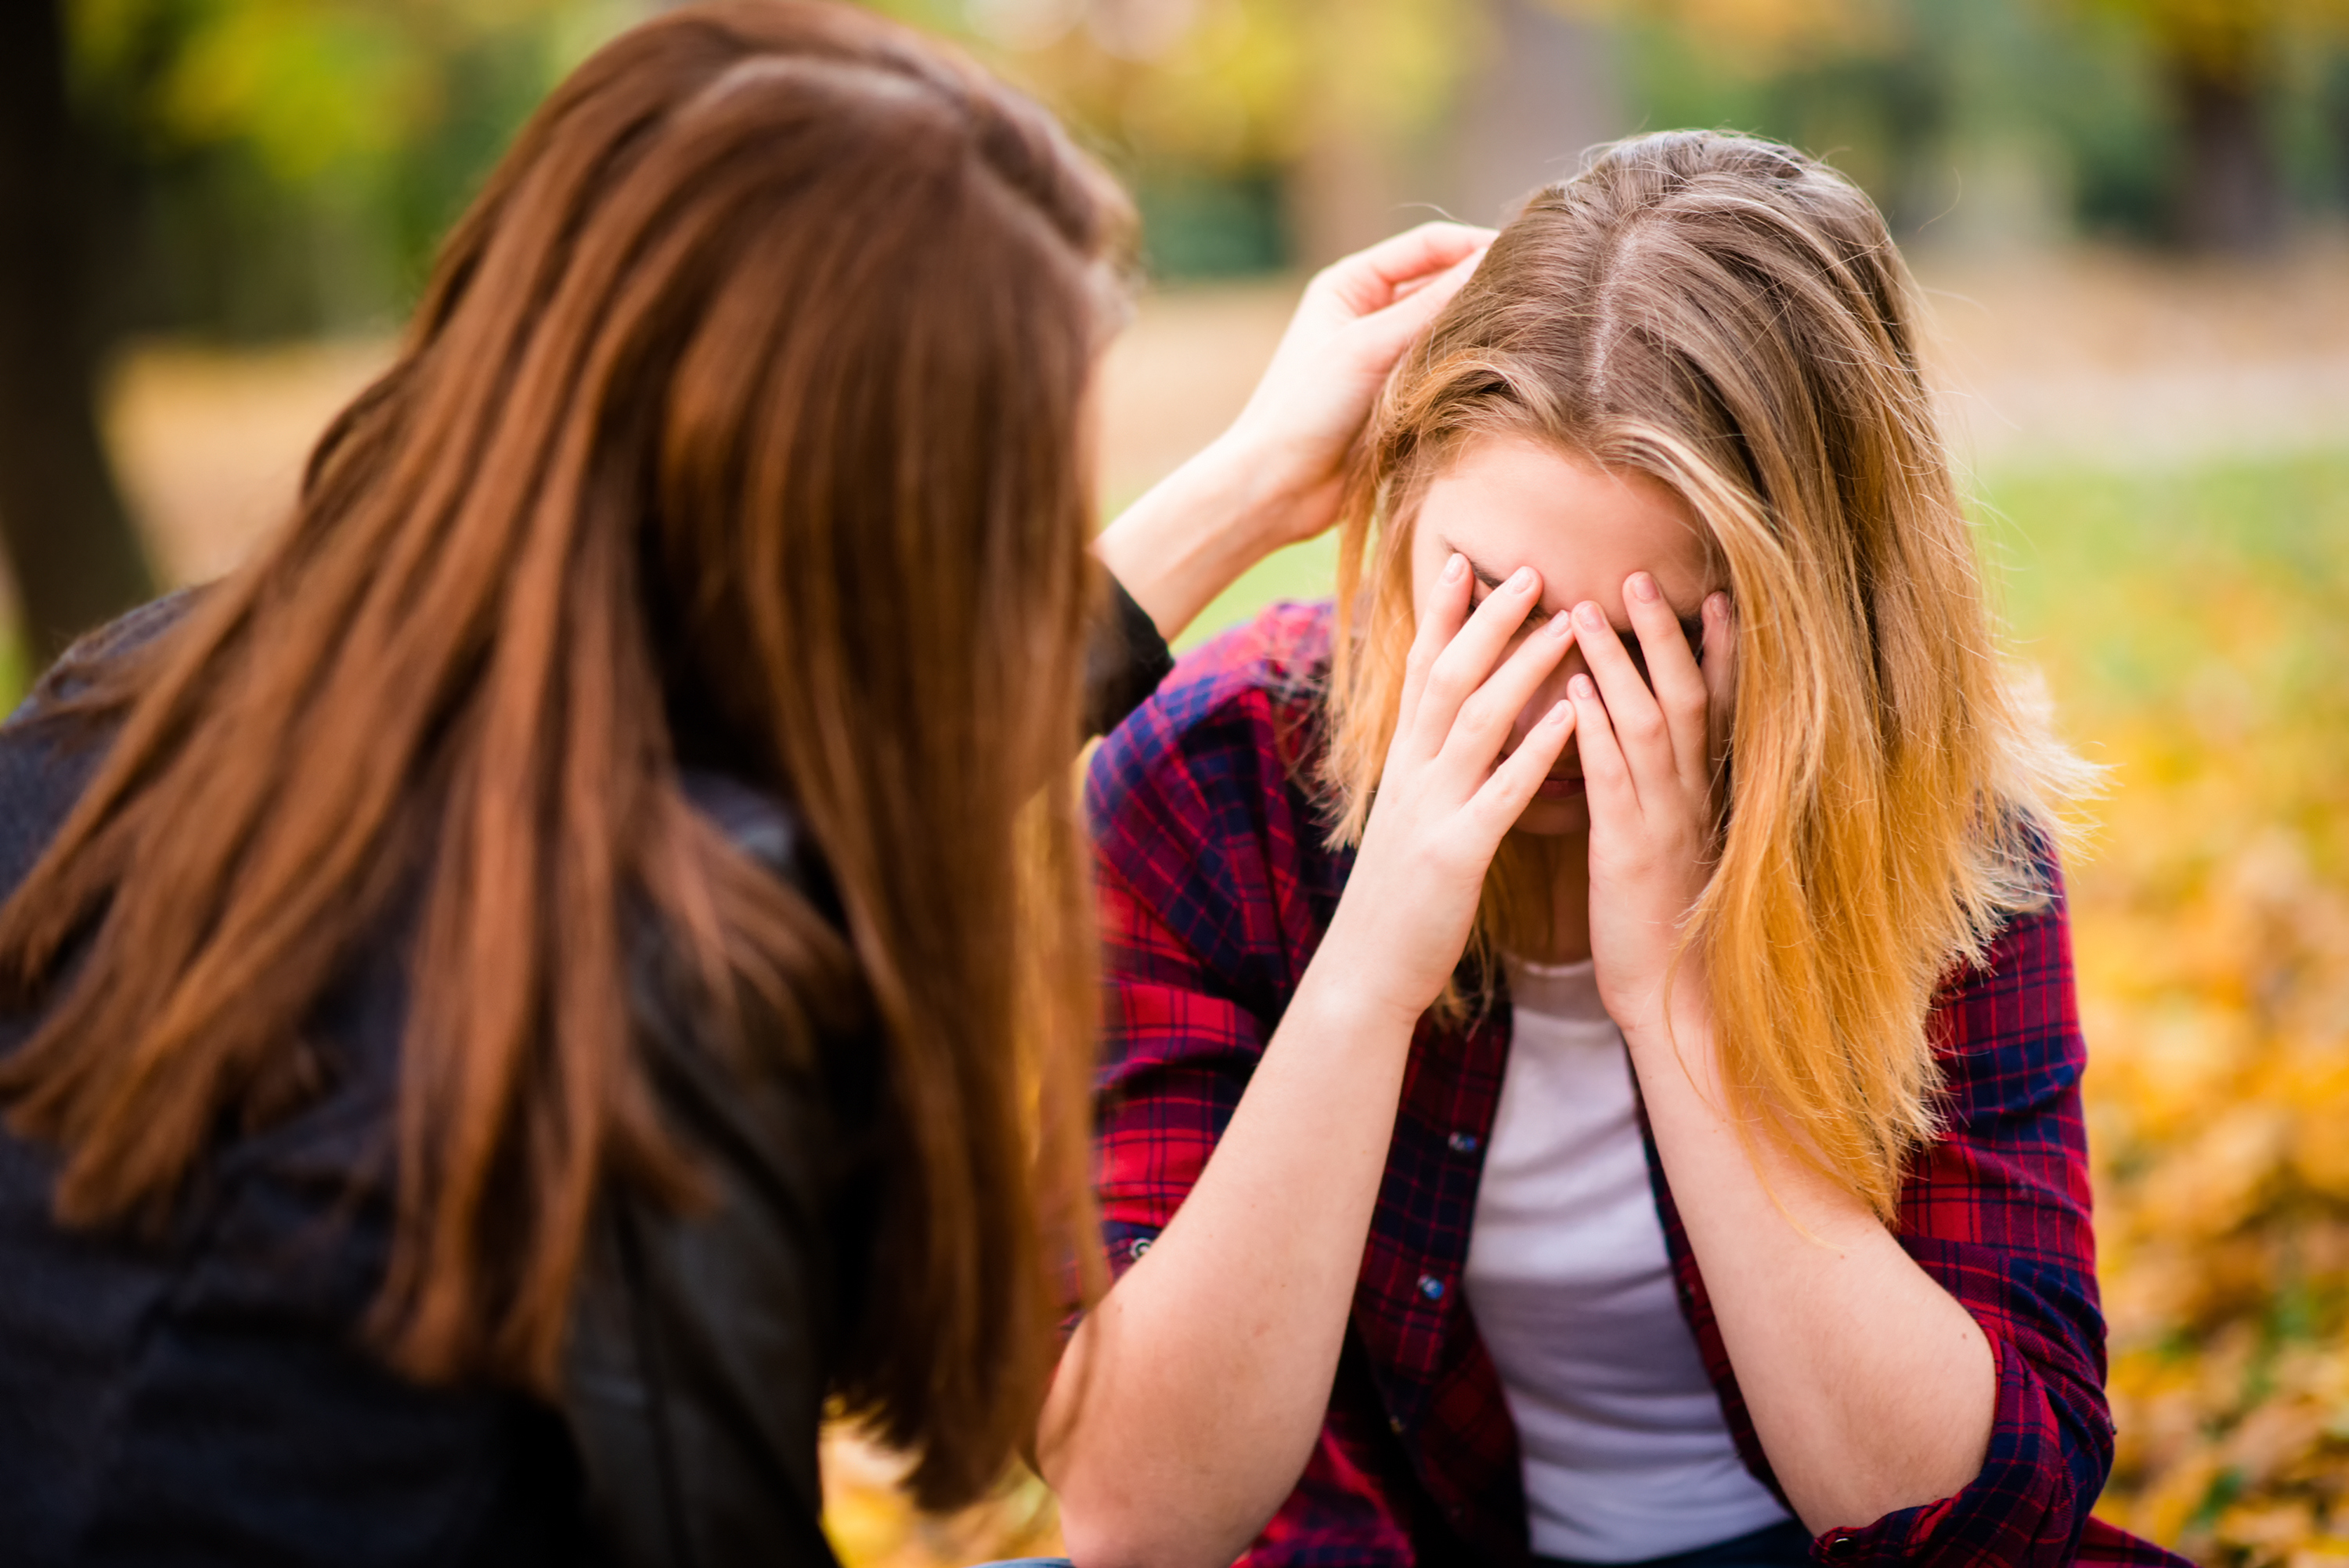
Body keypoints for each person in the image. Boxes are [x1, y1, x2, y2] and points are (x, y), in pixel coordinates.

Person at [0, 3, 1488, 1563]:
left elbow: (818, 768)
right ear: (846, 528)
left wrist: (1252, 484)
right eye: (1008, 501)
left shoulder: (138, 715)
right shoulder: (676, 982)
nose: (1040, 544)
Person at [1048, 132, 2188, 1568]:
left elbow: (1972, 1525)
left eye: (1641, 645)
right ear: (1396, 505)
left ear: (1813, 628)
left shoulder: (1933, 824)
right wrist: (1367, 982)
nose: (1537, 705)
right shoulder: (1218, 779)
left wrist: (1675, 1001)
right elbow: (1138, 1522)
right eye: (1487, 606)